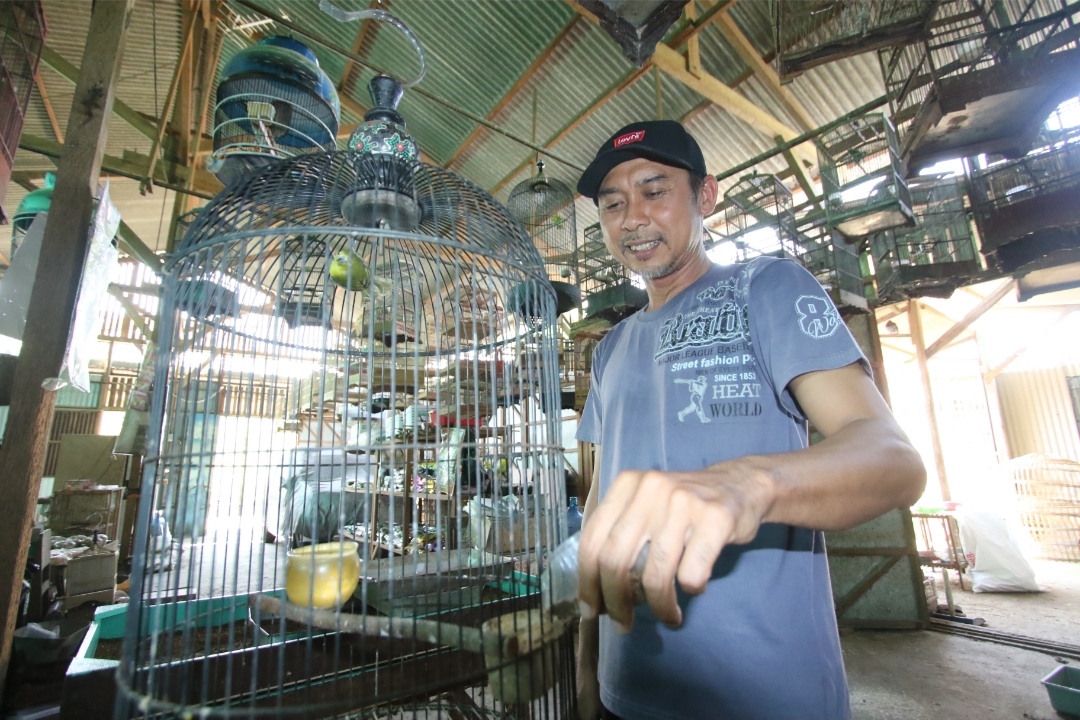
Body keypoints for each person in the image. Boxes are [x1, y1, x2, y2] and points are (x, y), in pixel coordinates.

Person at [573, 119, 926, 720]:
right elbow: (599, 509)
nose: (632, 217)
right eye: (612, 203)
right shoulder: (610, 347)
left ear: (705, 197)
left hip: (765, 695)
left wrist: (751, 484)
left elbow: (893, 461)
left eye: (654, 191)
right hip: (625, 689)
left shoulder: (768, 288)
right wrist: (587, 669)